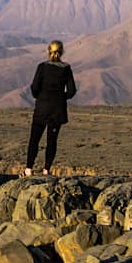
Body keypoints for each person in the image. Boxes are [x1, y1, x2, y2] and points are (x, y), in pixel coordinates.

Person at [23, 40, 77, 176]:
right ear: (62, 51)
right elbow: (72, 91)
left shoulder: (42, 67)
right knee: (51, 141)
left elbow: (34, 87)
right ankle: (46, 170)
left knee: (34, 139)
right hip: (57, 111)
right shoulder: (66, 68)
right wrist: (61, 97)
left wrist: (39, 97)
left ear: (48, 51)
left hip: (41, 108)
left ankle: (28, 169)